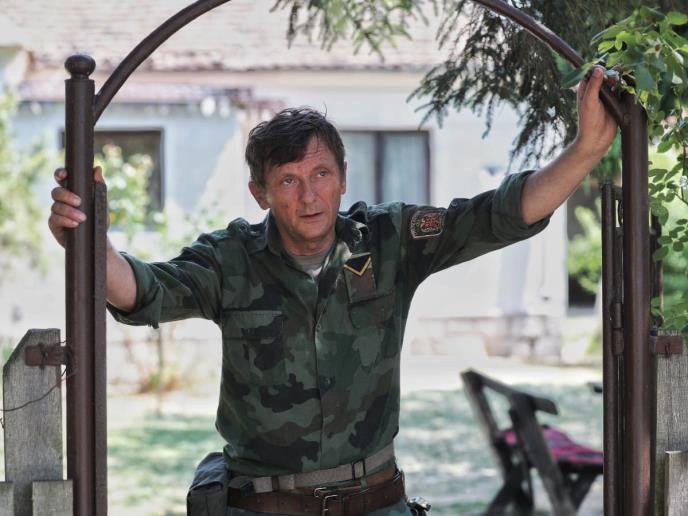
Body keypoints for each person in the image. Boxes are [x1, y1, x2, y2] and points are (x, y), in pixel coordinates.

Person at [49, 66, 617, 515]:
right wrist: (94, 244)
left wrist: (586, 150)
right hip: (262, 505)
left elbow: (500, 215)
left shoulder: (390, 241)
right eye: (288, 180)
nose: (309, 196)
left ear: (343, 176)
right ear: (260, 192)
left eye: (320, 174)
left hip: (376, 500)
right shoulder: (230, 260)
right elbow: (140, 291)